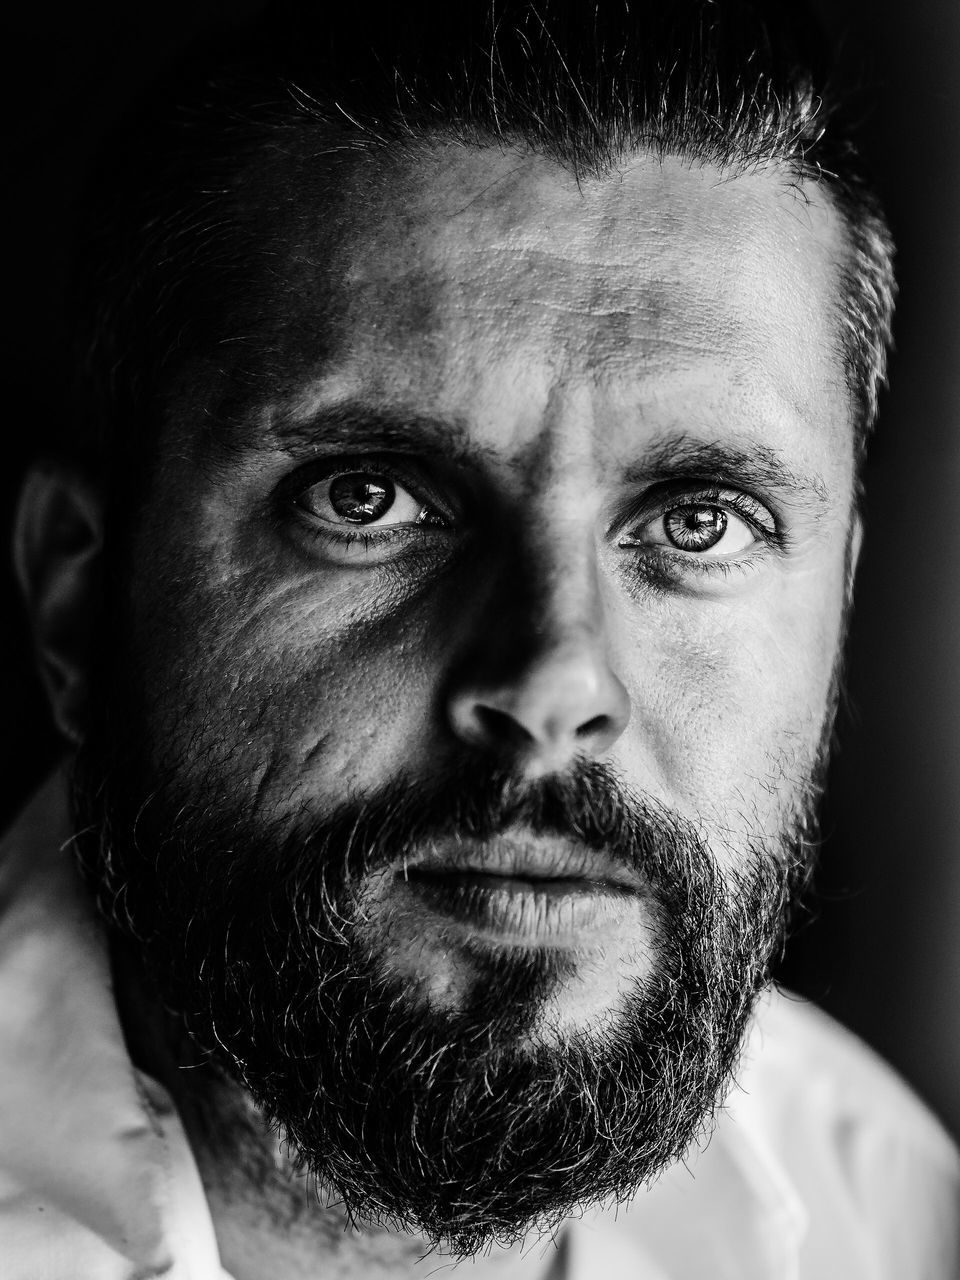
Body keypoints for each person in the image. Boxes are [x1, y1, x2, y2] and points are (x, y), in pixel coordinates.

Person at [3, 1, 958, 1276]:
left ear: (836, 603)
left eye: (701, 518)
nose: (553, 680)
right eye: (370, 499)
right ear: (77, 592)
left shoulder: (888, 1214)